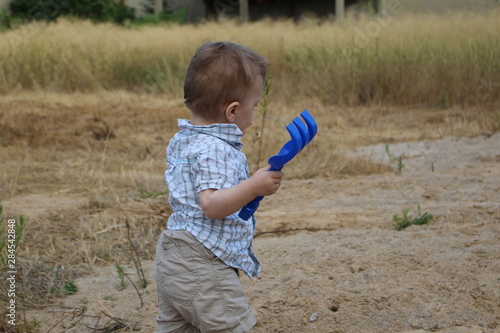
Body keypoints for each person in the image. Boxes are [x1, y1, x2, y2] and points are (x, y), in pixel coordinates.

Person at [155, 41, 284, 333]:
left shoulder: (185, 138)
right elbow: (212, 205)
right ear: (233, 111)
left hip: (172, 256)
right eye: (255, 105)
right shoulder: (217, 149)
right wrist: (253, 187)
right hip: (202, 261)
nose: (255, 111)